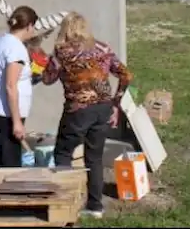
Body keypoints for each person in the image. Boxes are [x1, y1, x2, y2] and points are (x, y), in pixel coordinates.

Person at [42, 12, 133, 220]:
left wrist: (41, 68)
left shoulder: (60, 52)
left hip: (77, 110)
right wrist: (116, 104)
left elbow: (48, 79)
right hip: (103, 108)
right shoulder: (103, 48)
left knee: (63, 153)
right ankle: (95, 206)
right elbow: (126, 75)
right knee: (94, 157)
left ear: (65, 29)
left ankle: (65, 202)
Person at [0, 6, 39, 168]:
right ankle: (8, 193)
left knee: (6, 161)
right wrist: (16, 122)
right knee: (10, 165)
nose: (34, 31)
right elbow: (11, 85)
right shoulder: (16, 48)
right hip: (7, 114)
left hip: (1, 111)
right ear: (29, 25)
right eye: (34, 27)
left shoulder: (3, 41)